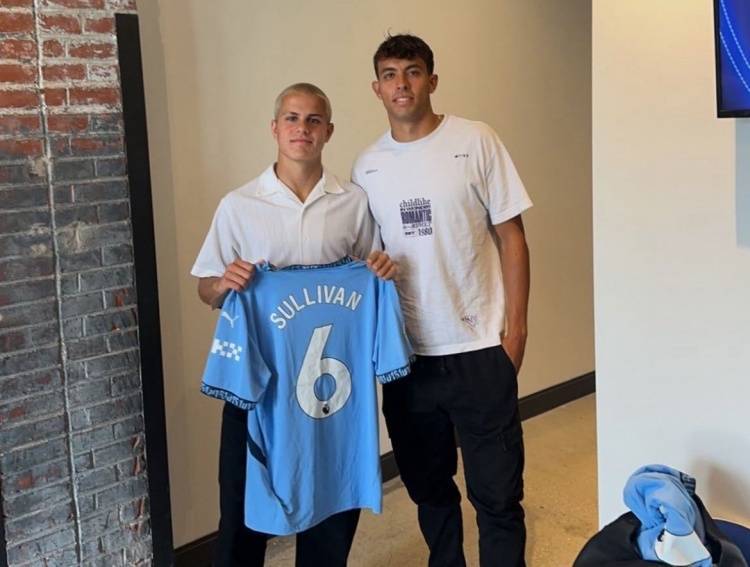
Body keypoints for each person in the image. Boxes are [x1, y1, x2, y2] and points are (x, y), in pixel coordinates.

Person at [192, 82, 396, 567]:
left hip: (329, 398)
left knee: (330, 506)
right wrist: (222, 284)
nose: (302, 129)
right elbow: (205, 289)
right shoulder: (239, 204)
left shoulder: (353, 201)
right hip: (257, 387)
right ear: (274, 128)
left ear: (328, 131)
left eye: (313, 120)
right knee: (241, 516)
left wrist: (380, 269)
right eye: (292, 118)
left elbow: (370, 273)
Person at [352, 34, 533, 567]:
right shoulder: (367, 166)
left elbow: (513, 237)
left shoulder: (475, 140)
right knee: (429, 489)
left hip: (480, 347)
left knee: (498, 494)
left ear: (431, 80)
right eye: (390, 74)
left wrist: (516, 331)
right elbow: (370, 257)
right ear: (376, 88)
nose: (401, 84)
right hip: (408, 358)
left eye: (412, 71)